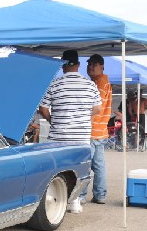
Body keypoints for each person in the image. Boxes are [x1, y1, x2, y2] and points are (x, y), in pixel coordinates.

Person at [39, 49, 102, 214]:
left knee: (55, 168)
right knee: (80, 168)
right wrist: (82, 117)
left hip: (58, 135)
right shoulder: (90, 85)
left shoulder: (54, 84)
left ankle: (55, 199)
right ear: (79, 65)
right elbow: (97, 109)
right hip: (80, 135)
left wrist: (53, 120)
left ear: (62, 65)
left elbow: (43, 108)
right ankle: (74, 202)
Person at [77, 54, 112, 205]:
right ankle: (100, 195)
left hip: (91, 130)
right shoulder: (103, 82)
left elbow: (95, 109)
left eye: (94, 64)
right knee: (99, 166)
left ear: (102, 67)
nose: (90, 67)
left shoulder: (99, 83)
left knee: (85, 164)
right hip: (100, 131)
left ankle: (81, 196)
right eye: (89, 64)